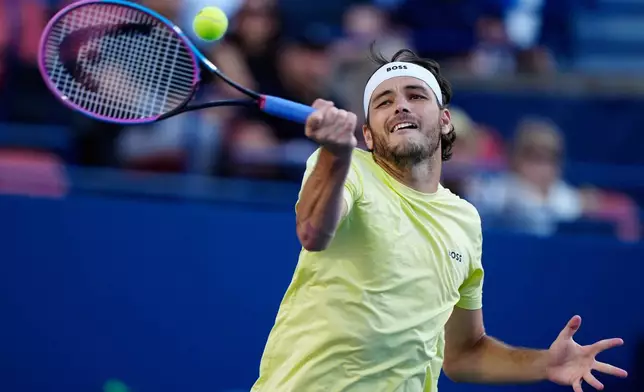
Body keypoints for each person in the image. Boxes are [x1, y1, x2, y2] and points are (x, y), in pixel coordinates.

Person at [250, 48, 628, 392]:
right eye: (384, 101)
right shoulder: (345, 168)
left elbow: (464, 354)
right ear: (366, 134)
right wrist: (334, 154)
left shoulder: (464, 220)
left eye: (415, 96)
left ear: (446, 121)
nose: (400, 106)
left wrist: (545, 362)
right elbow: (313, 232)